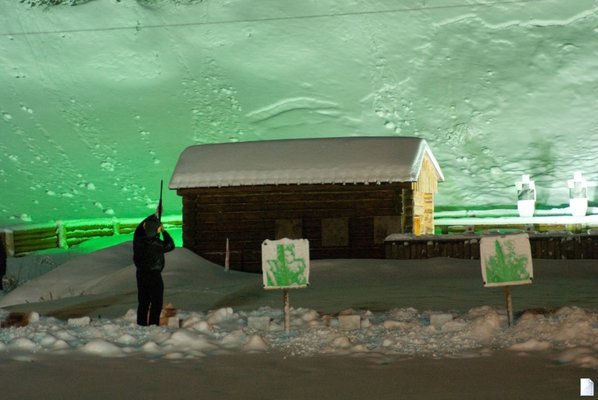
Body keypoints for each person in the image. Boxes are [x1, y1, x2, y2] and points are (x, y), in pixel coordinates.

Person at [133, 210, 175, 326]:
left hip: (141, 274)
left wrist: (153, 217)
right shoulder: (154, 243)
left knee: (143, 302)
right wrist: (164, 231)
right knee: (156, 302)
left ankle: (141, 324)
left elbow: (140, 228)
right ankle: (153, 325)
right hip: (153, 275)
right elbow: (170, 245)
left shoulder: (138, 239)